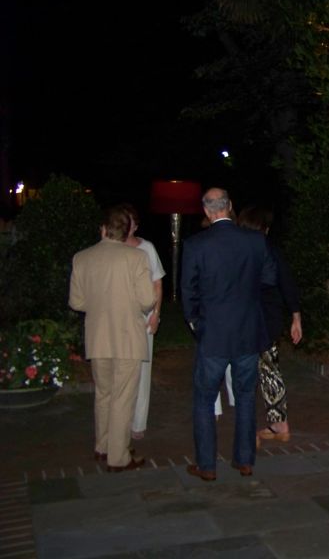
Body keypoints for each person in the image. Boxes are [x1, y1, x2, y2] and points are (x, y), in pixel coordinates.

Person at [181, 188, 277, 481]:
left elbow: (188, 291)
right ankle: (245, 460)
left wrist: (195, 321)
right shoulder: (256, 241)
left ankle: (207, 465)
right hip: (247, 331)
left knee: (204, 398)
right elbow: (269, 279)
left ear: (207, 211)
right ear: (229, 206)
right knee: (246, 395)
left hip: (214, 335)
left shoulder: (196, 245)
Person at [69, 206, 154, 472]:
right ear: (126, 230)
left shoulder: (82, 258)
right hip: (128, 337)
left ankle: (102, 445)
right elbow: (147, 300)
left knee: (104, 394)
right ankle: (119, 457)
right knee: (122, 397)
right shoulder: (136, 257)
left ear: (103, 229)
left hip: (98, 337)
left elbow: (76, 302)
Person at [237, 205, 302, 445]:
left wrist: (296, 316)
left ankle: (252, 431)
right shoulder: (270, 251)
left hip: (251, 320)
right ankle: (278, 424)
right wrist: (296, 316)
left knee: (249, 373)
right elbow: (287, 284)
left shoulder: (241, 253)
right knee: (268, 369)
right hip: (268, 320)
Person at [119, 204, 165, 440]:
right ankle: (120, 420)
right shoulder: (113, 249)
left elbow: (157, 283)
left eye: (132, 222)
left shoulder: (147, 248)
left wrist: (156, 313)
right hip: (119, 319)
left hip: (143, 316)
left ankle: (138, 422)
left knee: (142, 369)